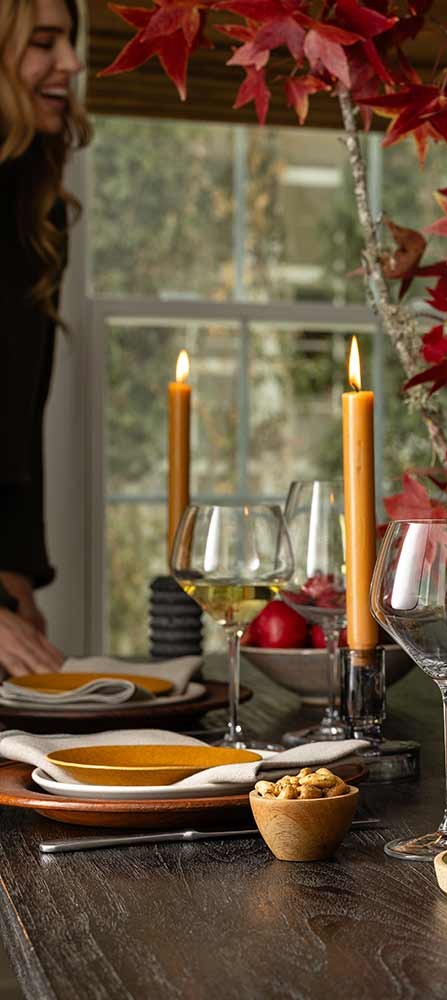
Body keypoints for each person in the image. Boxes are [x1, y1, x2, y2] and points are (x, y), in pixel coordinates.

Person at [0, 0, 89, 676]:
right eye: (45, 42)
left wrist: (16, 569)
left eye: (71, 41)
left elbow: (17, 423)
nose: (72, 63)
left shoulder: (37, 210)